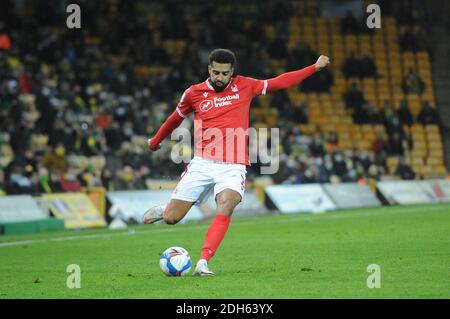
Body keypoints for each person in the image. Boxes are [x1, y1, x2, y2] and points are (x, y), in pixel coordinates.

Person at [143, 48, 330, 276]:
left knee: (227, 203)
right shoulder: (193, 93)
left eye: (224, 73)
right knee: (173, 218)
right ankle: (165, 210)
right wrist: (156, 140)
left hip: (233, 165)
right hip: (202, 162)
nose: (219, 77)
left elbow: (280, 83)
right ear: (209, 69)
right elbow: (175, 119)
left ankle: (203, 262)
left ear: (232, 72)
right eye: (215, 72)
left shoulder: (245, 85)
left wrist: (314, 67)